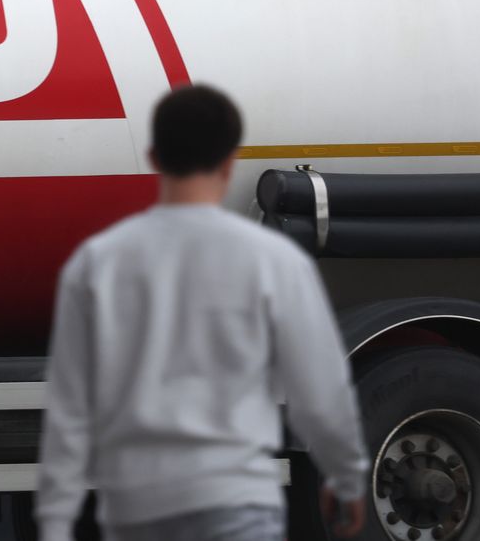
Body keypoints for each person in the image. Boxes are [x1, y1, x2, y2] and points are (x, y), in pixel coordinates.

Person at [36, 85, 369, 541]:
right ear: (230, 163)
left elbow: (70, 405)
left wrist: (54, 521)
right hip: (238, 500)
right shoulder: (275, 260)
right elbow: (319, 386)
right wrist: (346, 476)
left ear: (153, 157)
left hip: (138, 505)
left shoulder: (99, 261)